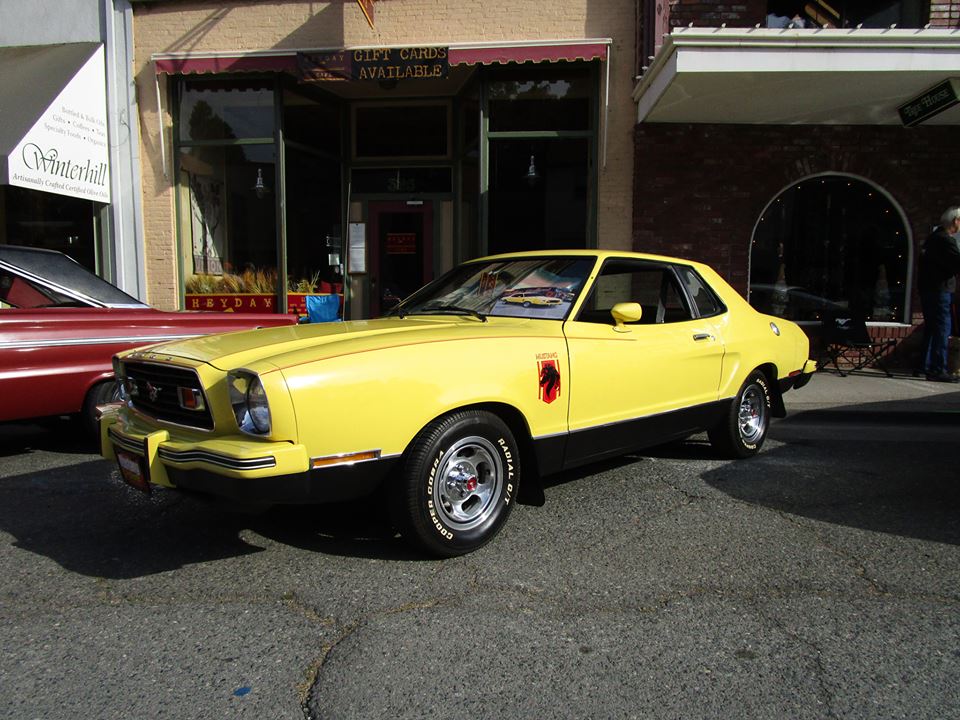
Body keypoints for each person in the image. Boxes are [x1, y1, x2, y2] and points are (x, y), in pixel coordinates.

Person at [917, 206, 960, 382]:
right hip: (940, 290)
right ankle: (937, 368)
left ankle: (923, 366)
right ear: (955, 221)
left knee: (932, 328)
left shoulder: (932, 239)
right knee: (942, 329)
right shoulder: (945, 241)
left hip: (928, 289)